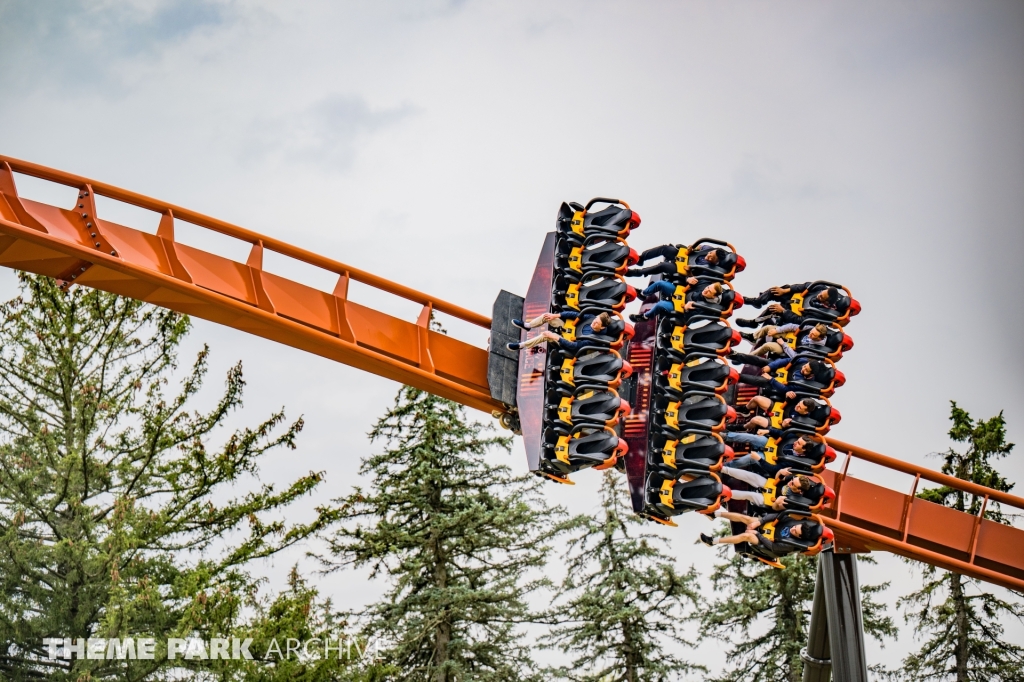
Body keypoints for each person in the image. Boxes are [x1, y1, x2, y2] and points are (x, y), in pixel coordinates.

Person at [698, 510, 823, 554]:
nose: (793, 529)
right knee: (747, 519)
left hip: (766, 541)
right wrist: (759, 522)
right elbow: (778, 516)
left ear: (799, 537)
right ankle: (714, 514)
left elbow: (773, 546)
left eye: (795, 532)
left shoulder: (790, 545)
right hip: (770, 526)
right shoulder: (794, 523)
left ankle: (713, 541)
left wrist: (758, 534)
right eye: (796, 527)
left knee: (746, 536)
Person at [719, 467, 823, 511]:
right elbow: (777, 478)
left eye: (793, 484)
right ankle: (723, 469)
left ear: (799, 490)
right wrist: (781, 472)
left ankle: (722, 492)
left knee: (750, 495)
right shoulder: (794, 478)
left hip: (769, 501)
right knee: (752, 476)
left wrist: (777, 503)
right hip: (771, 485)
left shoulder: (794, 500)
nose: (791, 482)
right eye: (793, 480)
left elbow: (775, 508)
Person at [507, 311, 613, 354]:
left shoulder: (595, 340)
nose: (593, 322)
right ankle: (528, 325)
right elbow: (575, 315)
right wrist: (555, 316)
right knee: (547, 316)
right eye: (595, 320)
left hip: (569, 344)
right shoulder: (592, 318)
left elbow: (574, 346)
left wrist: (555, 337)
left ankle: (521, 345)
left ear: (602, 327)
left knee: (546, 334)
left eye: (597, 323)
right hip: (571, 331)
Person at [628, 279, 724, 322]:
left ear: (713, 296)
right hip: (682, 294)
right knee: (660, 284)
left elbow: (692, 318)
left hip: (681, 310)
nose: (706, 290)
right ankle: (643, 293)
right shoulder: (705, 285)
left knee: (660, 304)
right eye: (707, 288)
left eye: (709, 291)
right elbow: (691, 279)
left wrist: (686, 308)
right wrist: (689, 279)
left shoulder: (707, 307)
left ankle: (645, 317)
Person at [626, 243, 725, 278]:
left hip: (682, 270)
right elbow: (698, 247)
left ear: (715, 262)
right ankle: (640, 258)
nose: (708, 256)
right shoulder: (708, 248)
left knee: (663, 266)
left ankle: (637, 273)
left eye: (711, 258)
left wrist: (689, 273)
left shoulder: (711, 270)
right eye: (710, 254)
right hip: (683, 256)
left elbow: (696, 279)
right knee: (665, 248)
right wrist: (691, 248)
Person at [743, 322, 830, 358]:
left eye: (813, 335)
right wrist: (777, 331)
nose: (809, 334)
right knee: (768, 328)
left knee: (768, 346)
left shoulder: (815, 349)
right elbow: (792, 326)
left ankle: (747, 357)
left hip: (788, 349)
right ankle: (753, 338)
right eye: (811, 332)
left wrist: (783, 344)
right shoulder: (810, 328)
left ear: (819, 338)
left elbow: (795, 356)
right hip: (791, 336)